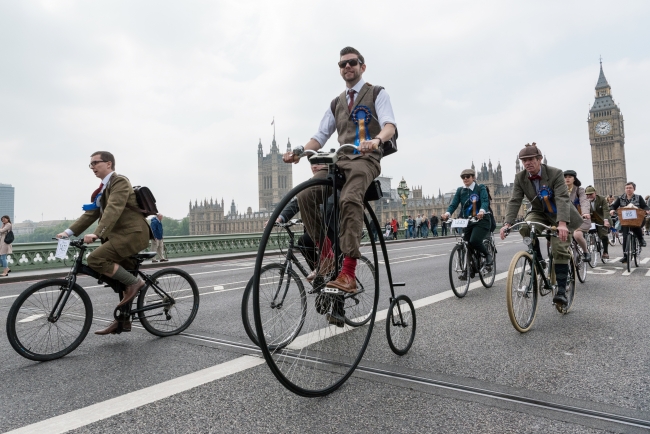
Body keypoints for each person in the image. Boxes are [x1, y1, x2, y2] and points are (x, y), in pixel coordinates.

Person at [282, 46, 396, 297]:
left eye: (352, 62)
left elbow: (389, 125)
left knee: (349, 199)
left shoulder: (377, 93)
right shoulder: (336, 103)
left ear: (362, 67)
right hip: (340, 160)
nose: (347, 67)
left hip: (365, 160)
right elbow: (320, 136)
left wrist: (376, 140)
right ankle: (326, 257)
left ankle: (349, 272)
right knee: (305, 196)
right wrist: (300, 152)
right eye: (342, 64)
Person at [56, 151, 152, 335]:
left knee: (96, 259)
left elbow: (114, 208)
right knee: (119, 279)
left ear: (108, 164)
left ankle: (135, 284)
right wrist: (67, 232)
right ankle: (123, 321)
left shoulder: (120, 182)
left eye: (95, 163)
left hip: (133, 234)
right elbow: (91, 213)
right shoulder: (102, 189)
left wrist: (97, 233)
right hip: (119, 237)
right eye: (90, 164)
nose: (92, 167)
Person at [500, 143, 583, 307]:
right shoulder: (520, 177)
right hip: (539, 212)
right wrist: (507, 223)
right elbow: (515, 200)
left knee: (559, 247)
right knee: (524, 226)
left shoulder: (555, 173)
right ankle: (538, 258)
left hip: (560, 214)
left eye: (530, 159)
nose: (527, 163)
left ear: (540, 159)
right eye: (524, 160)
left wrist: (562, 224)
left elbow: (562, 199)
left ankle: (560, 291)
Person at [442, 169, 493, 273]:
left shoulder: (480, 187)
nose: (465, 178)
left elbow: (484, 201)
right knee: (466, 243)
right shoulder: (460, 190)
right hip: (468, 221)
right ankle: (467, 269)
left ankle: (487, 255)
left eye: (468, 176)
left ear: (473, 177)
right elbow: (454, 204)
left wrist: (482, 211)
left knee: (474, 240)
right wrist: (447, 214)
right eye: (463, 177)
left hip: (482, 220)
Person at [609, 182, 650, 263]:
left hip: (637, 220)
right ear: (625, 189)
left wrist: (647, 210)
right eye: (627, 188)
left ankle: (641, 239)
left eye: (630, 188)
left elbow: (644, 206)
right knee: (625, 237)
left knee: (636, 226)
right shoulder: (621, 198)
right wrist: (612, 209)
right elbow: (614, 206)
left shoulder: (639, 197)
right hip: (625, 221)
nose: (628, 189)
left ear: (634, 189)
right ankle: (625, 256)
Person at [564, 170, 591, 262]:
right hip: (565, 218)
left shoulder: (580, 190)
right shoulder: (559, 190)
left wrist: (585, 212)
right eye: (565, 177)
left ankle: (586, 252)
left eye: (570, 177)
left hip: (579, 218)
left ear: (574, 179)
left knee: (577, 235)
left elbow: (584, 201)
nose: (567, 178)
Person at [585, 185, 612, 259]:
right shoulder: (584, 200)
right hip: (591, 220)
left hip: (602, 219)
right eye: (587, 194)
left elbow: (606, 210)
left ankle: (605, 252)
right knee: (585, 232)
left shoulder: (602, 199)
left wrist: (606, 221)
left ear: (595, 193)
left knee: (603, 235)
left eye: (591, 194)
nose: (589, 196)